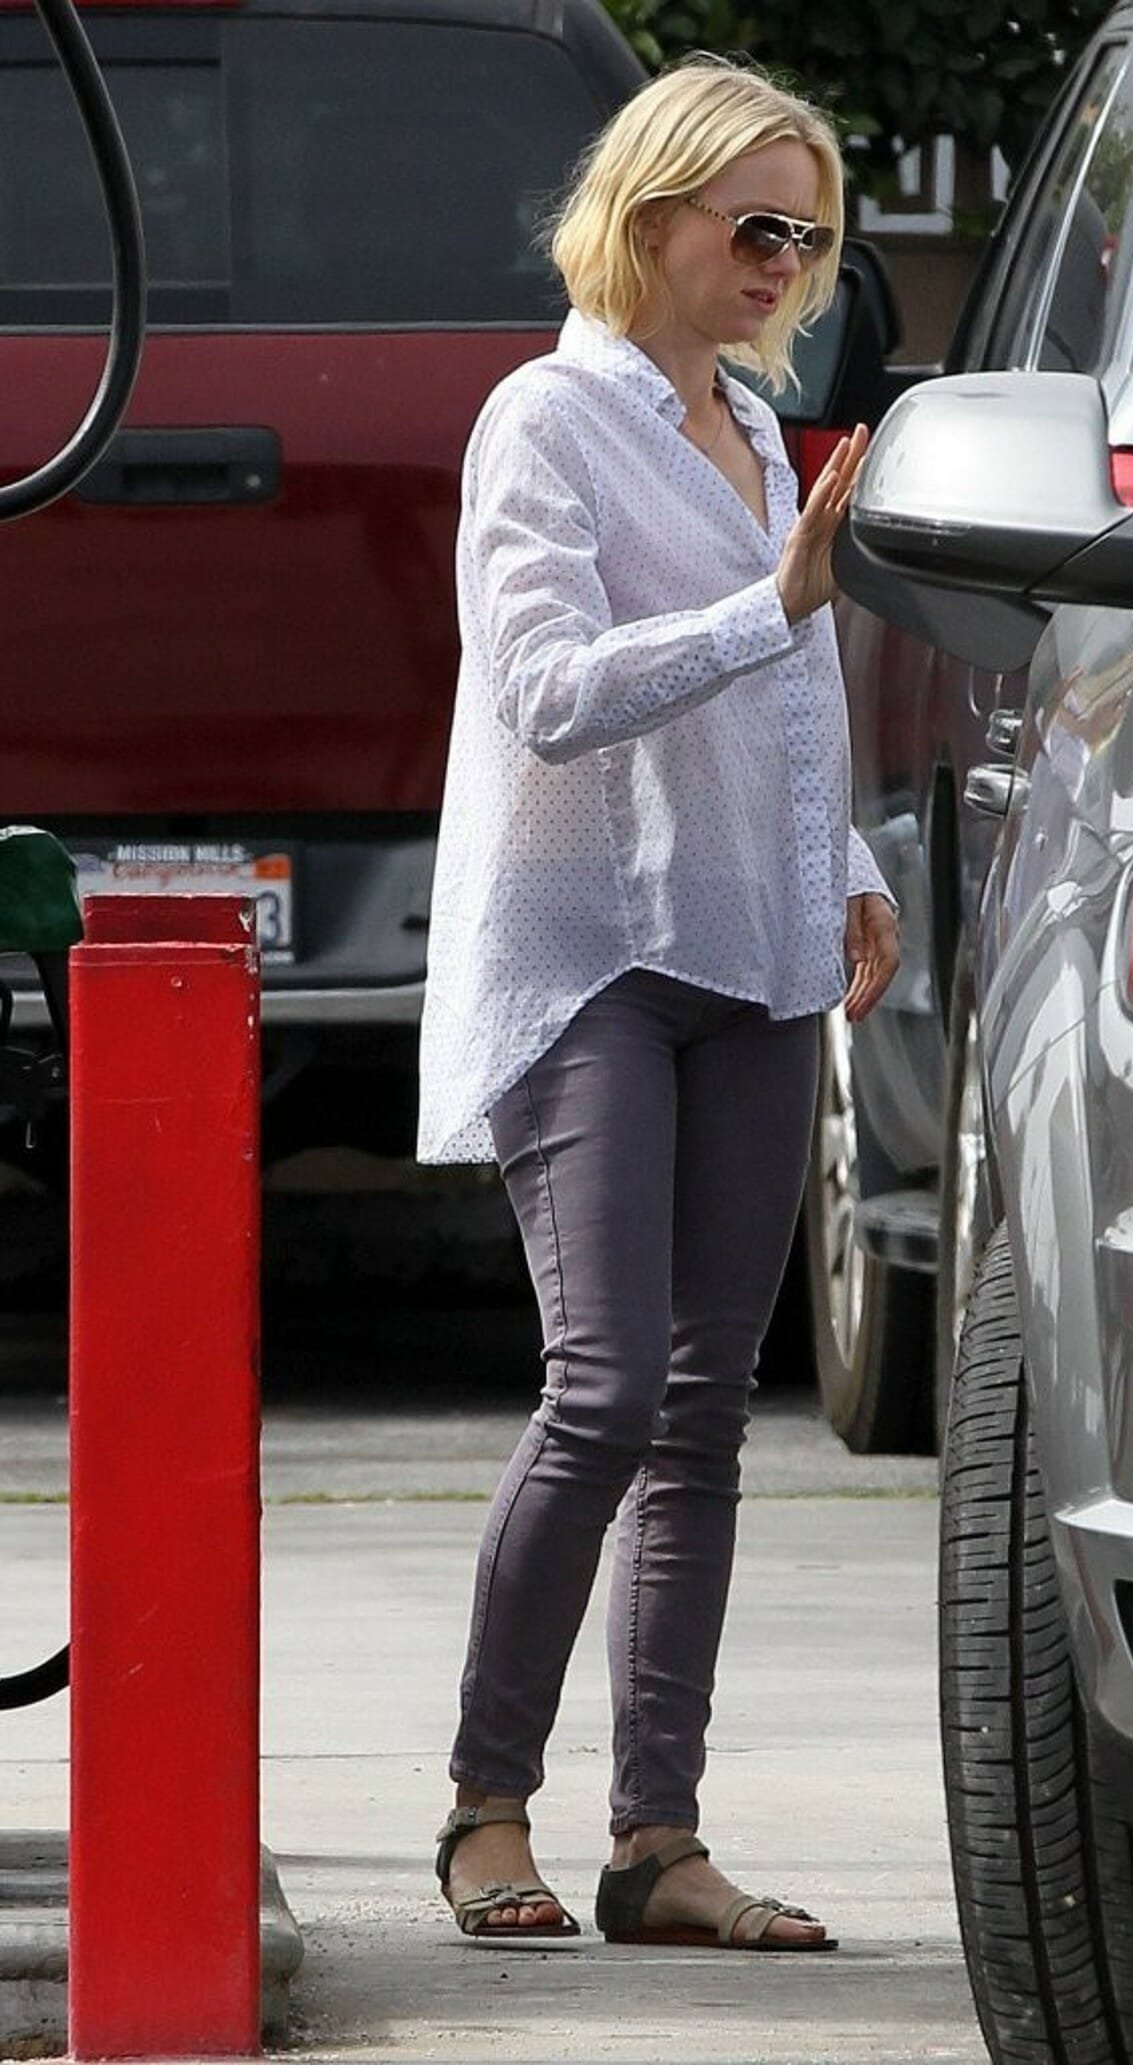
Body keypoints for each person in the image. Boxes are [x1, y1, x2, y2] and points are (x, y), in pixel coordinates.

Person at [417, 53, 899, 1954]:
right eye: (756, 224)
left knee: (705, 1417)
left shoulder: (759, 431)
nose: (786, 263)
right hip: (587, 955)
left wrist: (846, 860)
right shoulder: (544, 421)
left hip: (757, 952)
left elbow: (789, 696)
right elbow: (545, 691)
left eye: (812, 238)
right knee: (607, 1386)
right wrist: (769, 603)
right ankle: (485, 1804)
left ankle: (657, 1838)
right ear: (649, 215)